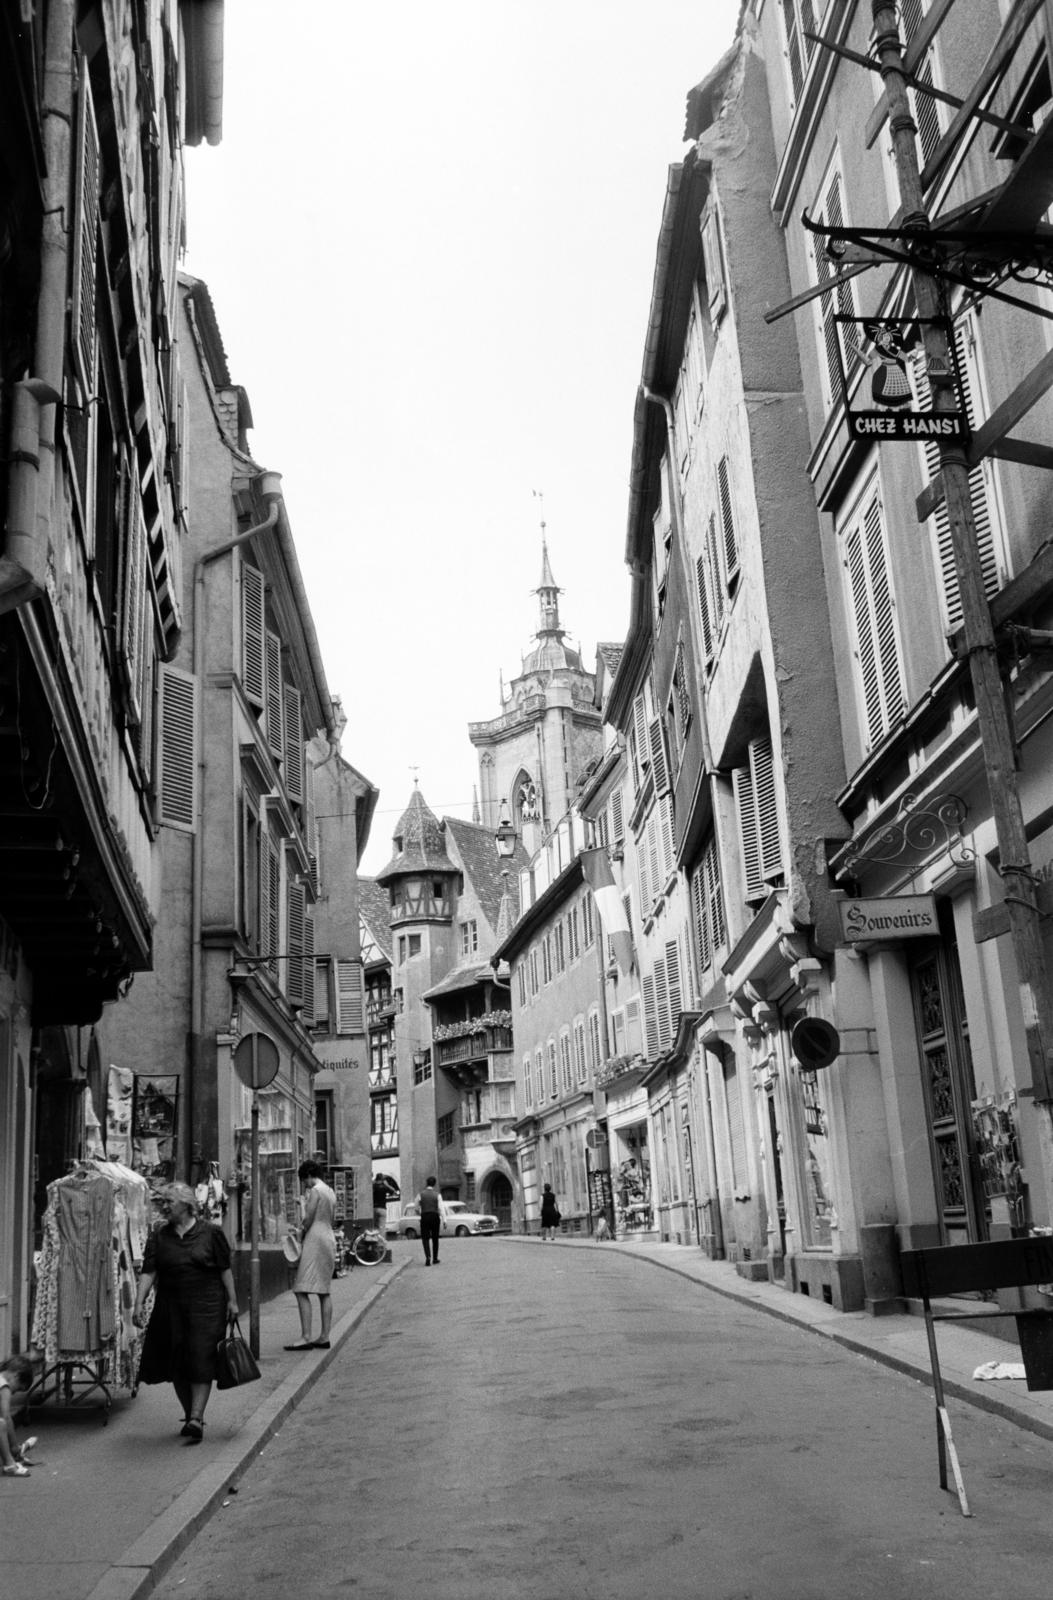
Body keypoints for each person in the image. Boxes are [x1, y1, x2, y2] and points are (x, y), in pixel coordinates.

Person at [132, 1182, 239, 1443]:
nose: (164, 1207)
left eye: (169, 1202)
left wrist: (233, 1302)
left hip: (207, 1305)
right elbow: (149, 1270)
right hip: (171, 1305)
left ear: (186, 1205)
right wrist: (138, 1302)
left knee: (201, 1358)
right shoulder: (159, 1234)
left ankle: (196, 1417)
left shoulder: (211, 1233)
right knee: (177, 1362)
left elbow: (224, 1269)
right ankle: (190, 1414)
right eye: (163, 1202)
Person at [285, 1160, 337, 1350]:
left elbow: (309, 1217)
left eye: (303, 1179)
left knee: (300, 1288)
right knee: (324, 1290)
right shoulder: (329, 1191)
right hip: (328, 1236)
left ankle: (306, 1336)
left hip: (315, 1238)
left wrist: (300, 1231)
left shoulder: (316, 1191)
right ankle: (324, 1336)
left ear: (308, 1175)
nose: (304, 1184)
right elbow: (331, 1217)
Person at [0, 1352, 36, 1477]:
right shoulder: (4, 1386)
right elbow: (6, 1416)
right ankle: (9, 1464)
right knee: (2, 1424)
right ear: (16, 1376)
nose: (14, 1393)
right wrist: (14, 1446)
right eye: (18, 1389)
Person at [416, 1176, 447, 1266]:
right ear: (434, 1184)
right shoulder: (437, 1195)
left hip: (425, 1216)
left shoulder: (420, 1194)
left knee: (425, 1238)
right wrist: (445, 1220)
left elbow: (416, 1207)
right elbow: (441, 1208)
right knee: (435, 1238)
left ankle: (428, 1257)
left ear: (427, 1183)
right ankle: (435, 1258)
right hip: (434, 1216)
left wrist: (420, 1213)